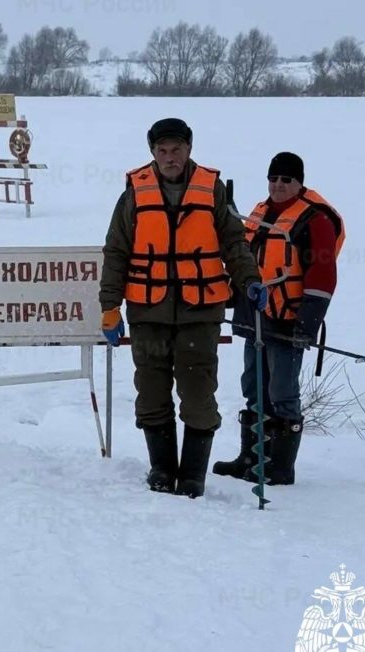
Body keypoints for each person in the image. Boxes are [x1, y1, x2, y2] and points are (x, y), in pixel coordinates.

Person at [99, 117, 264, 498]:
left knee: (198, 394)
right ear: (152, 153)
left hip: (199, 313)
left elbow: (234, 244)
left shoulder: (211, 190)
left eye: (176, 149)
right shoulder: (135, 194)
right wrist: (110, 307)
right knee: (152, 393)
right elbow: (116, 253)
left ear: (189, 149)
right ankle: (161, 469)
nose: (169, 157)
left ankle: (192, 475)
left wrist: (250, 280)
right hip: (147, 312)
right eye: (162, 151)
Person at [213, 152, 344, 485]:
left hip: (289, 321)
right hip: (255, 317)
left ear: (299, 183)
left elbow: (323, 273)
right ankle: (251, 458)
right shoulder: (260, 213)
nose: (278, 185)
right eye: (274, 179)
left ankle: (281, 467)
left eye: (286, 180)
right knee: (254, 387)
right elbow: (242, 256)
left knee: (282, 392)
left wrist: (307, 324)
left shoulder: (314, 220)